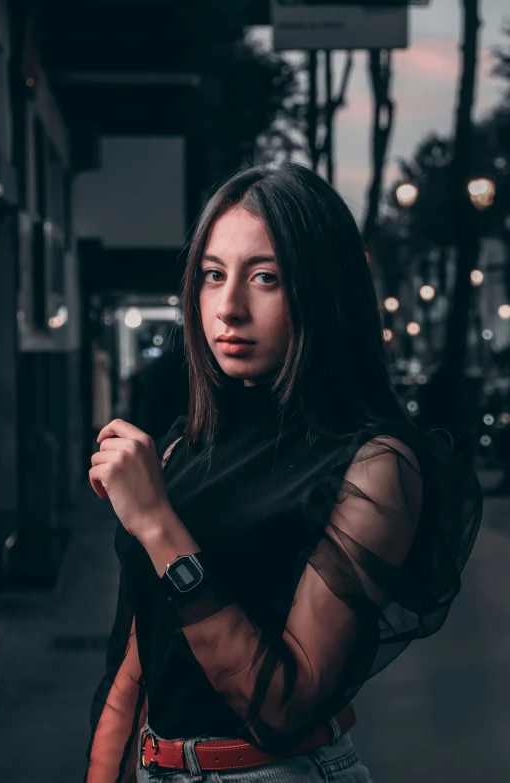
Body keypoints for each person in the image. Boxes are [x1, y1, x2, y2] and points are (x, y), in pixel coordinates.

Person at [84, 162, 483, 783]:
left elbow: (282, 706)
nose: (229, 307)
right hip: (154, 766)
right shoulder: (181, 449)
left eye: (265, 277)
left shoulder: (374, 468)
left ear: (322, 290)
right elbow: (136, 663)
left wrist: (158, 524)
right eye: (213, 275)